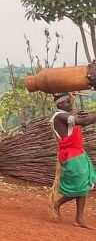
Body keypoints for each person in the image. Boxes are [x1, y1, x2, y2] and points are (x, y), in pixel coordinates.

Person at [50, 92, 96, 228]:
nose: (71, 103)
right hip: (71, 155)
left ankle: (79, 219)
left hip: (78, 153)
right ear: (60, 104)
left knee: (85, 184)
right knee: (79, 186)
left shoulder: (65, 115)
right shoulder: (60, 116)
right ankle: (57, 204)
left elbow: (82, 119)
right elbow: (85, 121)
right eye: (69, 102)